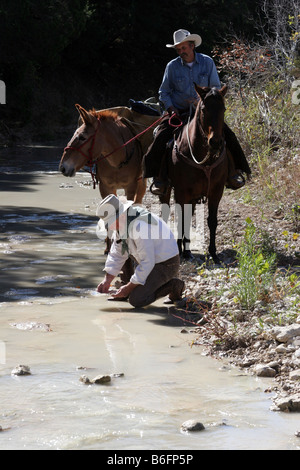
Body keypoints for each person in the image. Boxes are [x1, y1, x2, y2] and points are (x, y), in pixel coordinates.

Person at [143, 29, 251, 195]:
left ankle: (234, 173)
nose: (181, 52)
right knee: (161, 137)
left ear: (192, 46)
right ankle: (159, 178)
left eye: (183, 48)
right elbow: (163, 92)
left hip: (205, 111)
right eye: (178, 49)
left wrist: (203, 100)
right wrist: (171, 110)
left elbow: (215, 87)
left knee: (228, 135)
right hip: (178, 112)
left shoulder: (207, 62)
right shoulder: (172, 66)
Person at [96, 194, 184, 308]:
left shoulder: (140, 226)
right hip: (146, 260)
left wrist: (129, 287)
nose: (110, 227)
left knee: (137, 300)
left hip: (166, 264)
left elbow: (148, 262)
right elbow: (116, 253)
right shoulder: (122, 223)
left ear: (121, 215)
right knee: (124, 255)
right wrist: (107, 280)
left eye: (111, 222)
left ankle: (174, 285)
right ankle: (128, 288)